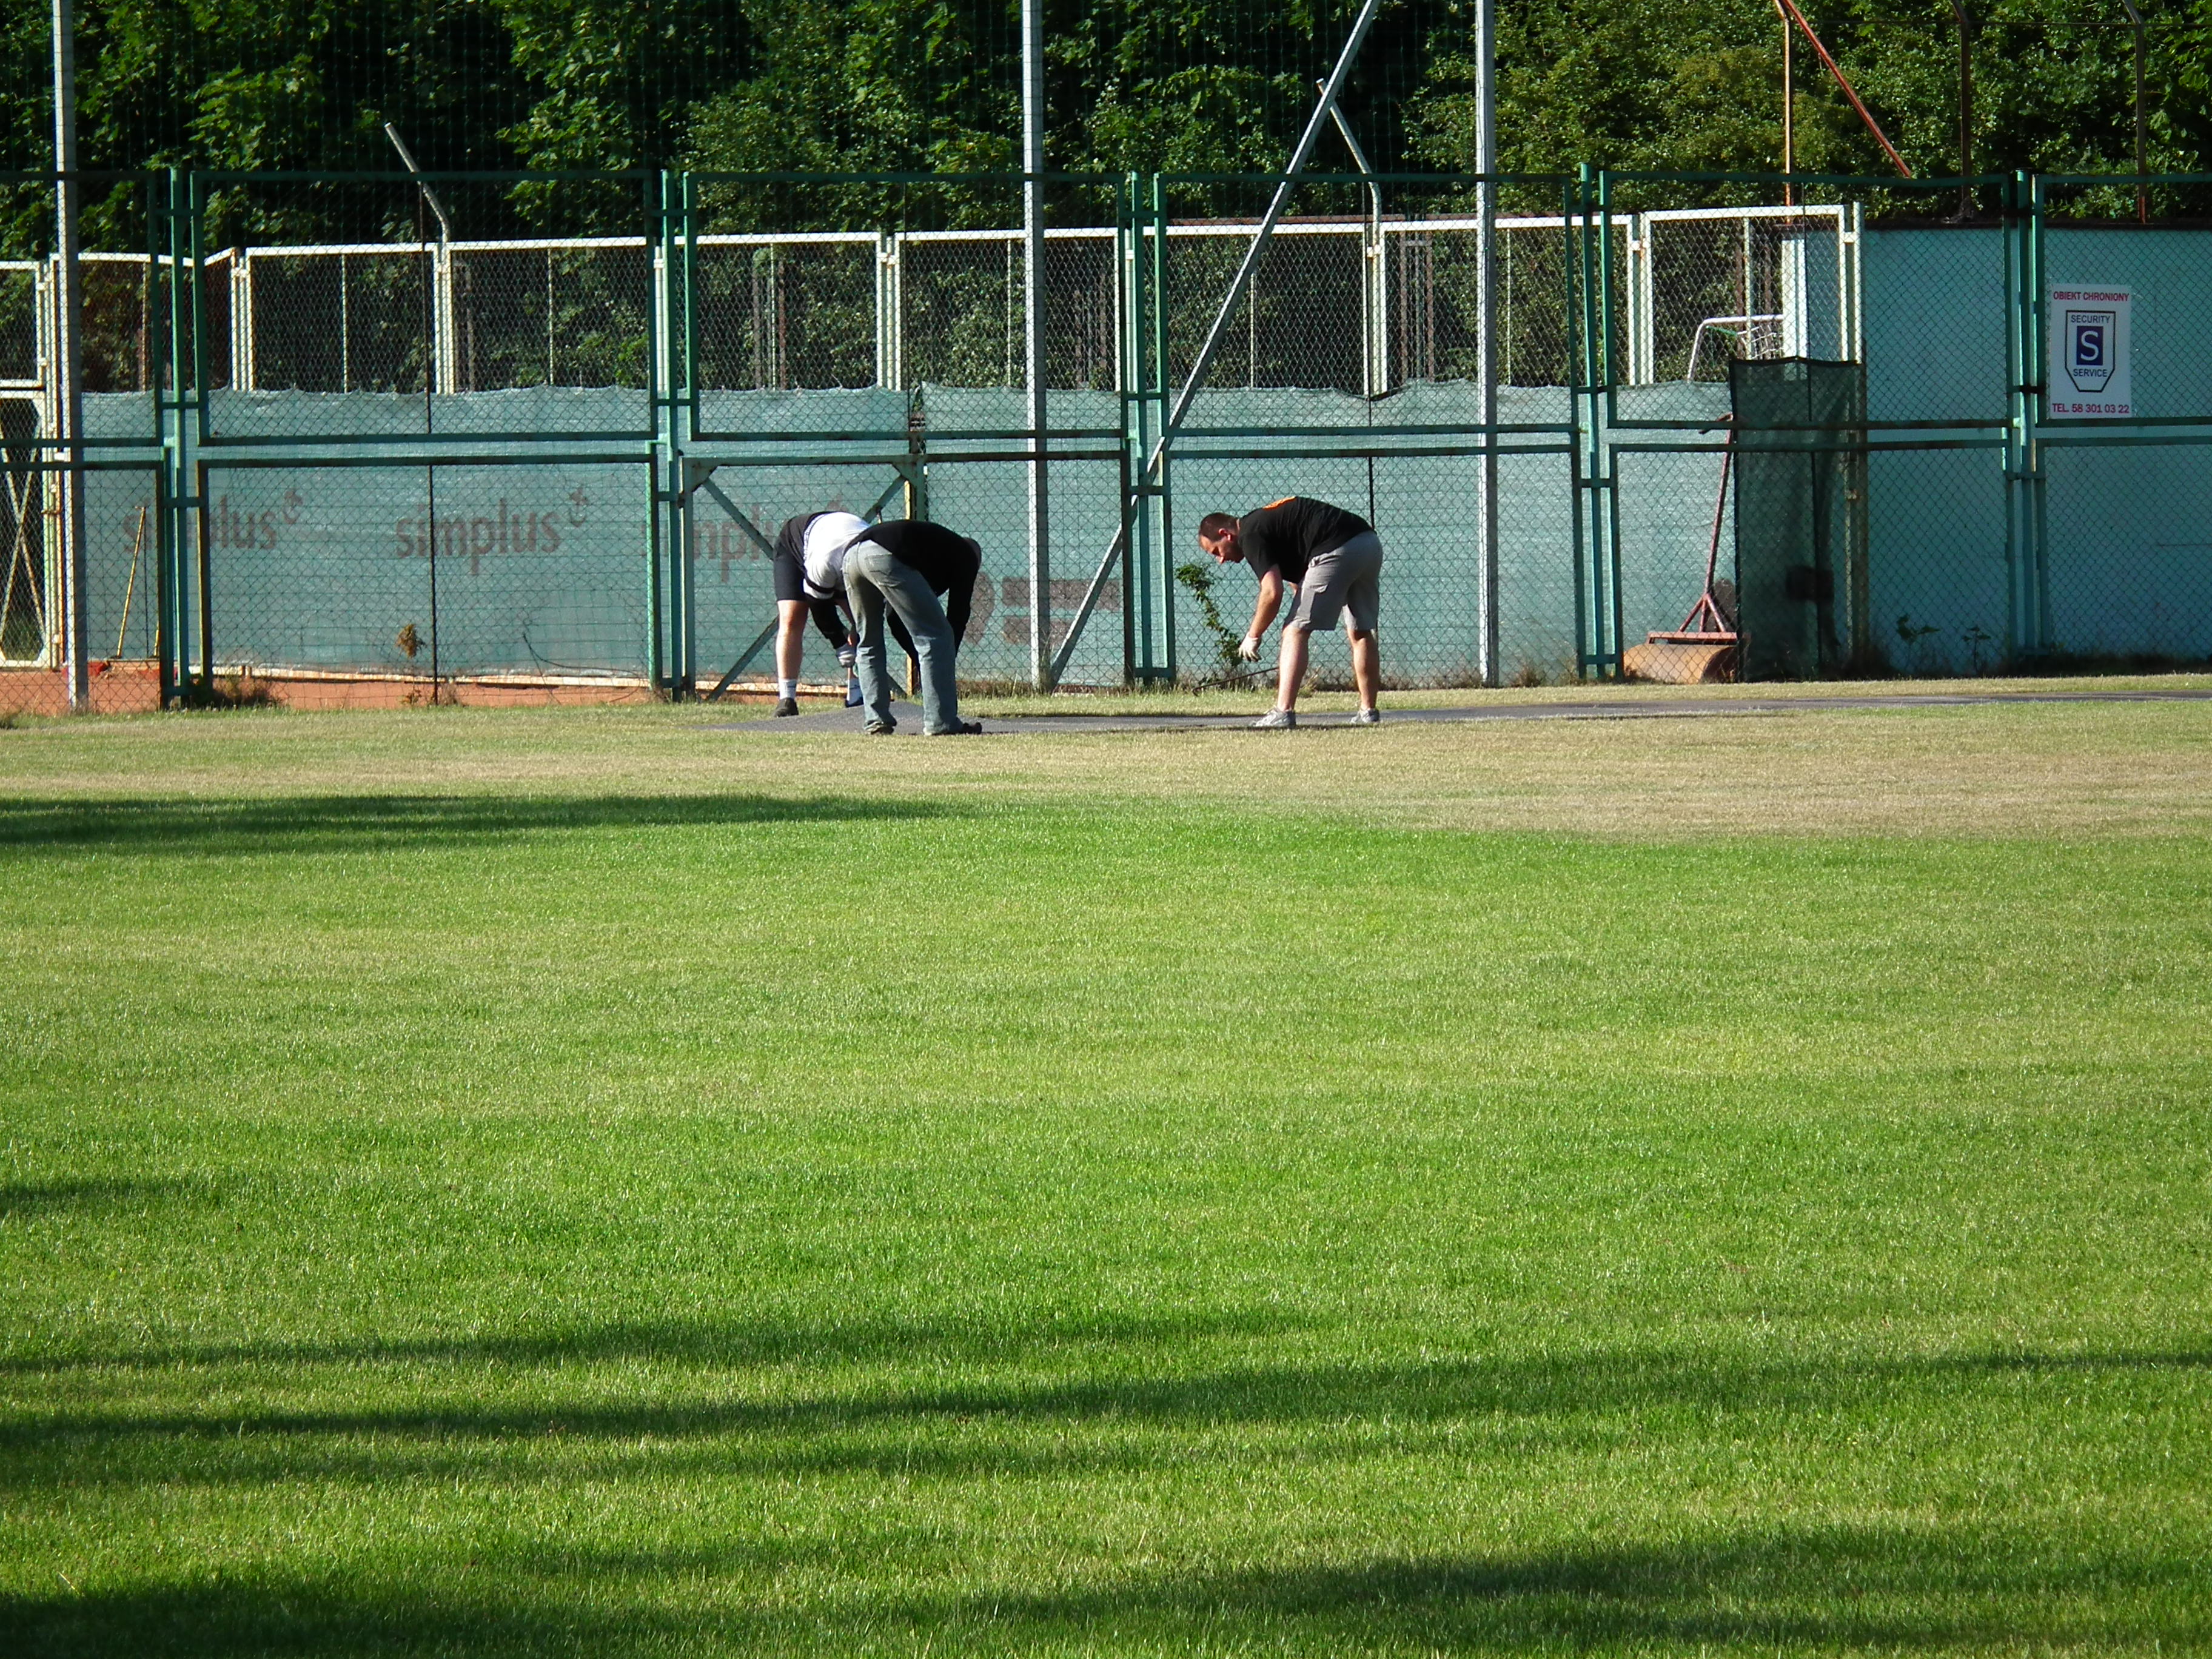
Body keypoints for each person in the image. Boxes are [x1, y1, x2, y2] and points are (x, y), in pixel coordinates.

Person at [1196, 497, 1383, 729]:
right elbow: (1299, 575)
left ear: (1226, 534)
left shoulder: (1249, 535)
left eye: (1216, 551)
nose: (1221, 560)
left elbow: (1272, 592)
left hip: (1336, 548)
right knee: (1361, 632)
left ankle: (1283, 712)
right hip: (1368, 543)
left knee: (1294, 631)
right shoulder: (1264, 524)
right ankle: (1368, 712)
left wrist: (1253, 635)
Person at [768, 509, 919, 716]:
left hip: (850, 555)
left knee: (861, 621)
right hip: (800, 545)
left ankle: (856, 695)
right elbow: (818, 606)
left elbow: (869, 615)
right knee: (792, 618)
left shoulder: (879, 562)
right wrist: (839, 644)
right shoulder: (825, 563)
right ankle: (787, 700)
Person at [843, 518, 984, 736]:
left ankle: (876, 721)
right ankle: (941, 723)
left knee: (868, 641)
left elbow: (894, 618)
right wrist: (944, 659)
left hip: (852, 557)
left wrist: (930, 663)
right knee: (936, 637)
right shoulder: (966, 556)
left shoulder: (934, 554)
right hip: (884, 555)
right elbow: (958, 615)